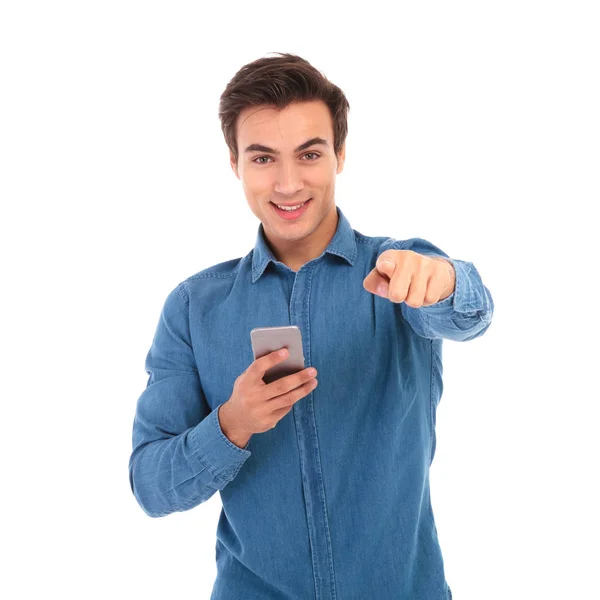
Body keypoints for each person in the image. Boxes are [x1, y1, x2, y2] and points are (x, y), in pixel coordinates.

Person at [128, 52, 494, 600]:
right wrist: (232, 422)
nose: (288, 183)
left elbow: (471, 311)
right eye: (262, 158)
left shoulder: (399, 269)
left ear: (340, 155)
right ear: (235, 164)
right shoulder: (192, 307)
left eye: (309, 153)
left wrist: (443, 281)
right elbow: (153, 487)